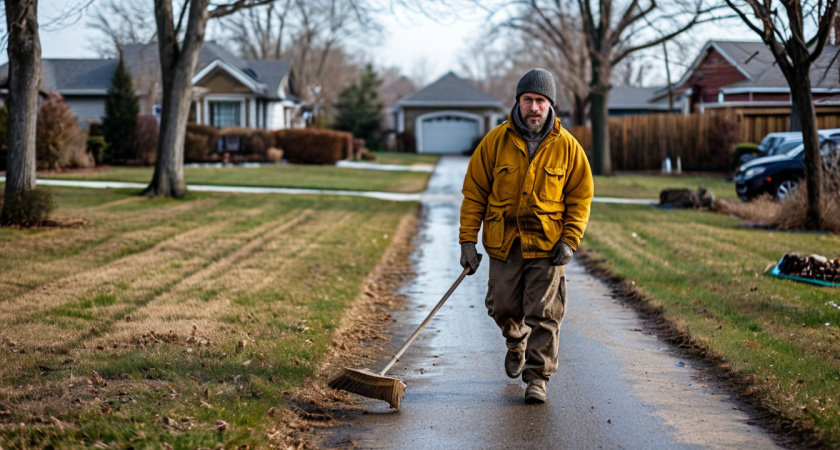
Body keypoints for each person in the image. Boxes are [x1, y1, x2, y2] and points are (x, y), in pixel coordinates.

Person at [458, 68, 594, 404]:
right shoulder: (495, 142)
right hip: (505, 243)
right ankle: (515, 339)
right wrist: (467, 241)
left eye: (541, 101)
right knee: (502, 307)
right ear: (518, 102)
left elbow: (580, 197)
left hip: (547, 246)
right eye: (528, 100)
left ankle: (537, 378)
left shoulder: (568, 147)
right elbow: (474, 193)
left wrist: (570, 239)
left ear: (551, 106)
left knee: (545, 314)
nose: (534, 107)